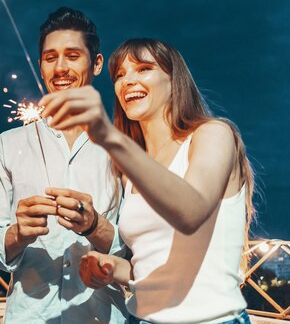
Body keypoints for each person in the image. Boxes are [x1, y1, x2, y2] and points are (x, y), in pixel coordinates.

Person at [40, 38, 255, 324]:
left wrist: (111, 137)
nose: (128, 80)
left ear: (173, 79)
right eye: (119, 75)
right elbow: (154, 268)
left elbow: (192, 212)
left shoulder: (212, 135)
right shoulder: (132, 168)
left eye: (143, 69)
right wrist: (114, 267)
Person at [0, 7, 127, 323]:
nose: (60, 67)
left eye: (73, 56)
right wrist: (18, 234)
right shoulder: (8, 144)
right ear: (40, 65)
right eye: (50, 58)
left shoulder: (124, 147)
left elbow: (136, 248)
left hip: (103, 316)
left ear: (97, 63)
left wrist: (94, 225)